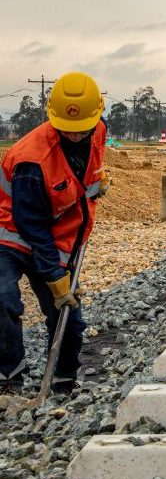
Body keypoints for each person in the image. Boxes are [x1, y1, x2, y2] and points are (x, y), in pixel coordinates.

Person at [0, 71, 109, 395]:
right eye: (67, 130)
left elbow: (83, 175)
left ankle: (63, 380)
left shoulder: (99, 130)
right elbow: (31, 224)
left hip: (60, 233)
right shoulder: (33, 160)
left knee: (68, 313)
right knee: (3, 298)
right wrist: (53, 275)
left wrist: (94, 187)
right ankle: (8, 376)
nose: (74, 136)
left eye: (81, 130)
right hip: (11, 233)